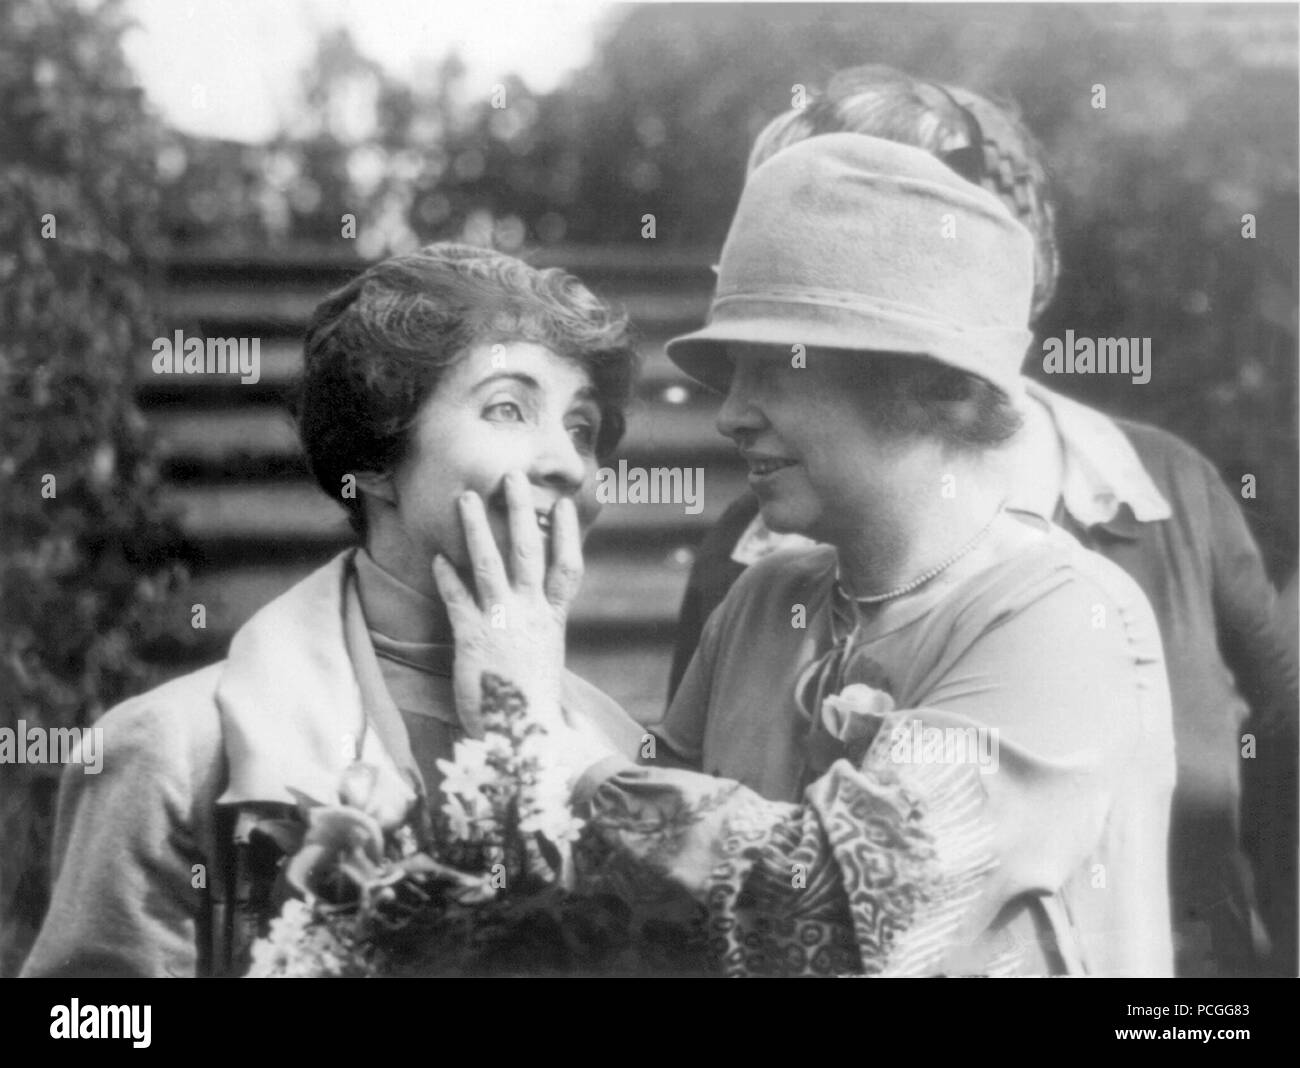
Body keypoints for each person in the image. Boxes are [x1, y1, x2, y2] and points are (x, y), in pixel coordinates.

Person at [435, 132, 1179, 976]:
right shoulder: (765, 600)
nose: (732, 414)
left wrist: (547, 747)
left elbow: (841, 909)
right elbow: (641, 913)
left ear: (921, 382)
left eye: (775, 369)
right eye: (734, 372)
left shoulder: (1062, 617)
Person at [666, 66, 1299, 977]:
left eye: (776, 363)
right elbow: (682, 856)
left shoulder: (1119, 546)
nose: (729, 413)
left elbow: (1282, 753)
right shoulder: (764, 579)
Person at [21, 243, 645, 977]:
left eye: (584, 428)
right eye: (509, 408)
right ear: (376, 456)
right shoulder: (172, 752)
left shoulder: (622, 755)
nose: (568, 463)